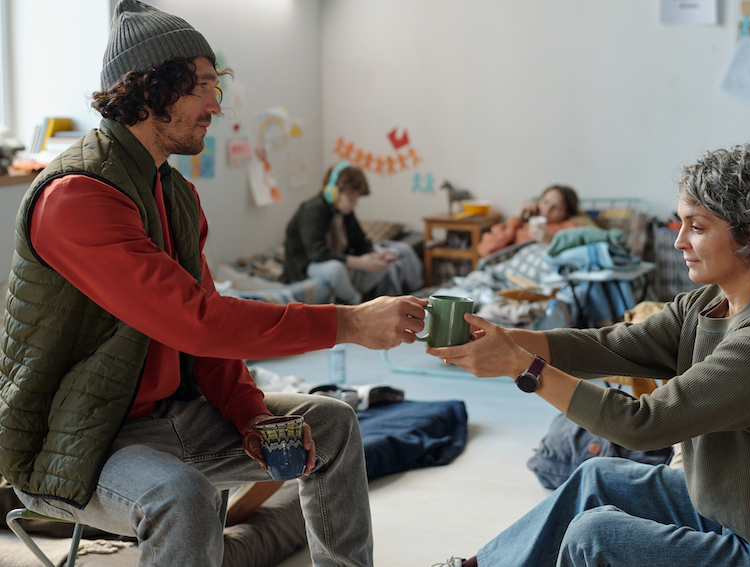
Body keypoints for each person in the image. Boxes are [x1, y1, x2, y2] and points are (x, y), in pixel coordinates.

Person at [0, 2, 427, 567]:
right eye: (201, 86)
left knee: (333, 423)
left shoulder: (174, 192)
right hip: (81, 436)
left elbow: (210, 331)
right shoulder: (76, 197)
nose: (215, 104)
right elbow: (193, 320)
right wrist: (347, 321)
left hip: (170, 418)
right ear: (148, 90)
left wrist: (252, 415)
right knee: (185, 495)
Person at [429, 145, 750, 567]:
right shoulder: (707, 303)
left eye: (697, 227)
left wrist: (523, 367)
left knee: (594, 536)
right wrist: (507, 339)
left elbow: (641, 424)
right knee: (595, 477)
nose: (679, 240)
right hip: (732, 513)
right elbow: (609, 345)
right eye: (679, 223)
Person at [283, 161, 420, 304]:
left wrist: (374, 255)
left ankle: (350, 293)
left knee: (383, 262)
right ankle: (356, 302)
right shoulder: (312, 210)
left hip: (335, 260)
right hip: (307, 265)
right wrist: (359, 262)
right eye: (351, 199)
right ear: (334, 193)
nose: (355, 204)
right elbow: (317, 253)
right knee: (335, 269)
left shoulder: (345, 212)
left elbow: (360, 241)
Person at [476, 184, 593, 258]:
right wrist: (517, 217)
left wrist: (552, 240)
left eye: (556, 208)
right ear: (538, 202)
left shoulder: (569, 227)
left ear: (567, 213)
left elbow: (586, 245)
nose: (547, 209)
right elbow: (485, 249)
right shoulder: (518, 226)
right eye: (545, 202)